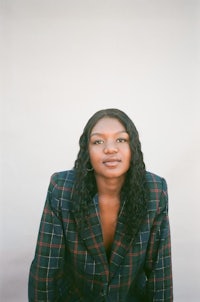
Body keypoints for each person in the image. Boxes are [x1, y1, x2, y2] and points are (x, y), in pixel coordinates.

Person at [28, 108, 173, 302]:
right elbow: (45, 272)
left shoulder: (155, 190)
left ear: (134, 148)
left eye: (121, 140)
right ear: (87, 152)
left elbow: (159, 274)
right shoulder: (62, 188)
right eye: (98, 141)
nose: (110, 148)